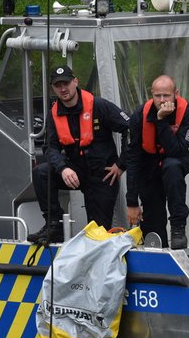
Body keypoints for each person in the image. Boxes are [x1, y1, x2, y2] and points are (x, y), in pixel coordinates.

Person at [27, 65, 130, 245]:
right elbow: (50, 147)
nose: (63, 89)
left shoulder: (99, 105)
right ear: (53, 88)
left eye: (66, 83)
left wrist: (121, 164)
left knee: (97, 236)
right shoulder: (54, 114)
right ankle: (54, 225)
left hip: (103, 175)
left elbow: (131, 128)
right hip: (77, 172)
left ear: (75, 81)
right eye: (58, 85)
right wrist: (63, 168)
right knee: (41, 172)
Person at [124, 75, 189, 249]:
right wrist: (132, 202)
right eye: (157, 96)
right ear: (151, 94)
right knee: (152, 221)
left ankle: (178, 228)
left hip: (176, 162)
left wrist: (161, 121)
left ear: (176, 94)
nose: (162, 100)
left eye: (166, 95)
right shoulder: (139, 115)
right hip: (148, 167)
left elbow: (177, 150)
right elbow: (134, 158)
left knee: (171, 166)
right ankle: (155, 246)